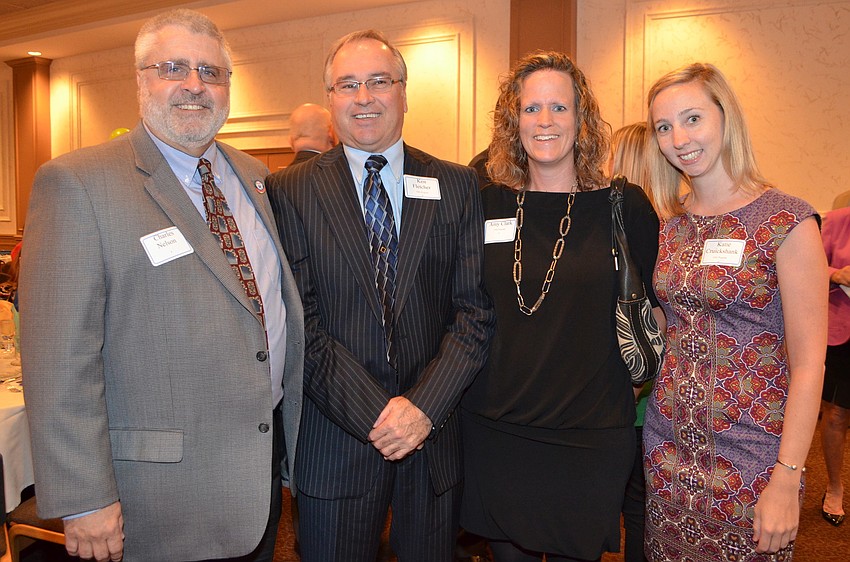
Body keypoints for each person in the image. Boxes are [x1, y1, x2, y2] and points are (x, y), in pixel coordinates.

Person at [19, 9, 304, 562]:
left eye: (211, 71)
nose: (195, 84)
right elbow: (57, 360)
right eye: (173, 67)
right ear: (141, 79)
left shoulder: (258, 179)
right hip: (155, 497)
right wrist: (84, 497)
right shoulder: (77, 183)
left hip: (260, 474)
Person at [266, 29, 495, 562]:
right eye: (347, 84)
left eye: (378, 81)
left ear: (404, 93)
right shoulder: (289, 190)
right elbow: (300, 322)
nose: (363, 97)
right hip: (336, 442)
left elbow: (474, 313)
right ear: (331, 100)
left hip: (432, 440)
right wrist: (380, 416)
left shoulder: (457, 184)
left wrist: (421, 410)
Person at [460, 51, 661, 562]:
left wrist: (636, 386)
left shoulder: (625, 206)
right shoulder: (485, 204)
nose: (544, 121)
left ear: (582, 118)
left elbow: (659, 312)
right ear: (513, 122)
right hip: (499, 430)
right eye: (531, 109)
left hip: (590, 435)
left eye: (559, 107)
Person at [642, 62, 827, 561]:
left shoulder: (786, 220)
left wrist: (787, 477)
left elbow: (810, 364)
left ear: (726, 117)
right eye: (664, 127)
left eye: (693, 119)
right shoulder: (670, 225)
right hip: (667, 448)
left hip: (753, 457)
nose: (679, 139)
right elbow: (668, 324)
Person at [609, 121, 653, 562]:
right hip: (653, 395)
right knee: (641, 505)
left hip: (635, 396)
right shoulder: (677, 224)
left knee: (633, 502)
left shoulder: (625, 219)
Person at [820, 204, 850, 526]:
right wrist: (837, 274)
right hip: (843, 333)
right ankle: (834, 487)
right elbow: (813, 264)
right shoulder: (839, 220)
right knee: (837, 414)